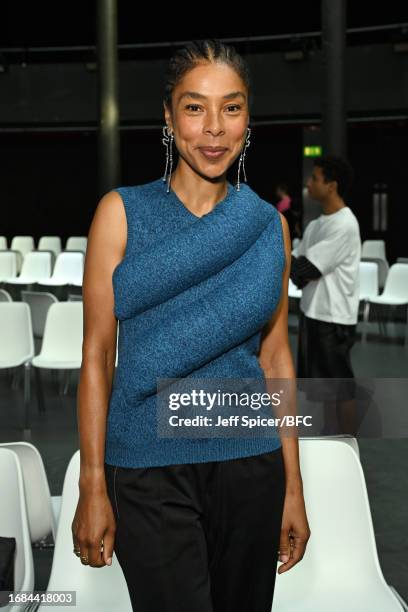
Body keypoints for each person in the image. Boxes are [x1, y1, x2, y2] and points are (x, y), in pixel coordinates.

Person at [72, 39, 310, 612]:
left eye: (231, 108)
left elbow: (276, 359)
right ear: (168, 116)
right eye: (195, 106)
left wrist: (293, 486)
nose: (214, 128)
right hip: (147, 468)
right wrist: (91, 483)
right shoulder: (120, 212)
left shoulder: (266, 227)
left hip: (249, 465)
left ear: (248, 119)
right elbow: (98, 354)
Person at [290, 155, 362, 435]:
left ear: (331, 186)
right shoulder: (316, 224)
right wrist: (296, 267)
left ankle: (347, 445)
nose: (309, 183)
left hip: (333, 319)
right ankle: (330, 441)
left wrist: (296, 267)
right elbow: (296, 265)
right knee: (320, 388)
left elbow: (305, 268)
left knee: (340, 388)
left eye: (315, 178)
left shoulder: (344, 224)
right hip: (313, 313)